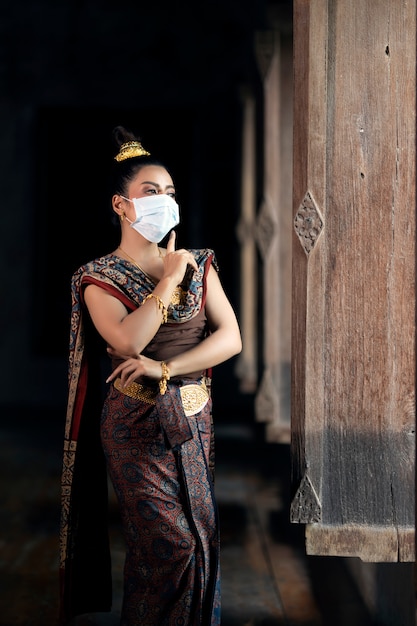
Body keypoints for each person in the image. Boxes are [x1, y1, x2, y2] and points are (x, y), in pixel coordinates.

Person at [59, 125, 242, 626]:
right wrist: (166, 282)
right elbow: (127, 342)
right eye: (151, 193)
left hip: (193, 415)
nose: (165, 202)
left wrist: (169, 367)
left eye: (170, 193)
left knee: (199, 542)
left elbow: (230, 339)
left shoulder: (200, 263)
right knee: (168, 546)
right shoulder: (97, 276)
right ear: (121, 205)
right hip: (134, 425)